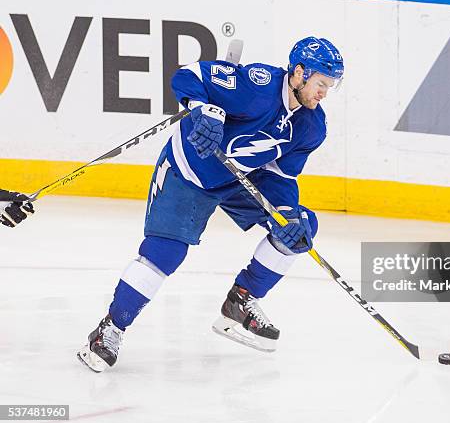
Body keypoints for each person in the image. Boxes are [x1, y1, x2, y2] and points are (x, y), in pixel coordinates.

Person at [73, 36, 344, 372]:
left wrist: (285, 213)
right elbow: (188, 76)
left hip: (240, 179)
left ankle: (240, 303)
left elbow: (280, 175)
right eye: (320, 83)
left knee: (299, 227)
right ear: (299, 73)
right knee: (165, 253)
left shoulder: (312, 127)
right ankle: (110, 328)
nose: (324, 93)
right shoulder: (257, 86)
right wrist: (206, 109)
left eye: (330, 86)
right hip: (191, 170)